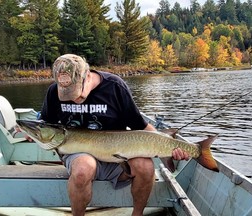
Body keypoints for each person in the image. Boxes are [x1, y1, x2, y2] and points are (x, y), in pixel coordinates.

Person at [40, 54, 189, 216]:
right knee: (84, 167)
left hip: (116, 153)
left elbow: (140, 126)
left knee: (146, 167)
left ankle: (137, 214)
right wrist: (30, 132)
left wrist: (169, 144)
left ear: (88, 76)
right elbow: (46, 123)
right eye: (68, 94)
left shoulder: (115, 87)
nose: (74, 99)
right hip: (77, 151)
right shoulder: (54, 92)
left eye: (78, 92)